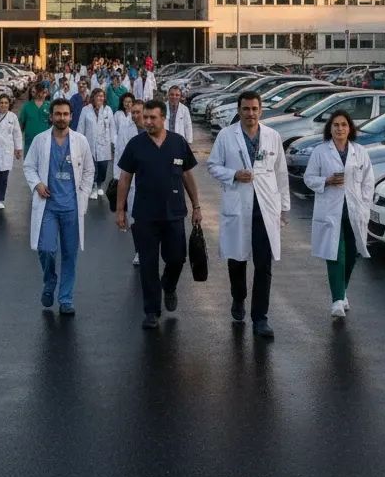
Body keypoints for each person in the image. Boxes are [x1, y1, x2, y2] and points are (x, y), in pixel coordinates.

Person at [207, 91, 290, 339]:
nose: (250, 113)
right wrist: (233, 175)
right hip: (238, 206)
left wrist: (284, 207)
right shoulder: (226, 136)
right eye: (246, 109)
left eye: (254, 109)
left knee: (263, 266)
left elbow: (281, 174)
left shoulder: (273, 137)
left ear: (260, 110)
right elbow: (212, 165)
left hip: (265, 210)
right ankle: (238, 298)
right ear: (239, 110)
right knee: (237, 261)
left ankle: (260, 318)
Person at [115, 100, 201, 329]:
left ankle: (169, 286)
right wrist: (120, 209)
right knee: (148, 264)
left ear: (163, 118)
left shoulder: (178, 143)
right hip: (145, 215)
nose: (148, 122)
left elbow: (187, 176)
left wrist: (197, 206)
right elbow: (124, 178)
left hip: (173, 213)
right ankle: (151, 310)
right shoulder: (136, 145)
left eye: (153, 118)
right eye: (145, 117)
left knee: (176, 258)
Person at [23, 99, 95, 315]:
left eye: (65, 114)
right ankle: (50, 280)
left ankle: (65, 299)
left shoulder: (80, 141)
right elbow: (28, 166)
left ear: (71, 116)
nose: (61, 118)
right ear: (51, 116)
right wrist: (37, 184)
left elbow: (89, 171)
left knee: (70, 254)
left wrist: (82, 194)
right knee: (46, 248)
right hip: (49, 206)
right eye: (57, 114)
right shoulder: (40, 140)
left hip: (72, 207)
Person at [303, 109, 375, 319]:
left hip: (354, 210)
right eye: (336, 125)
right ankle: (336, 300)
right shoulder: (320, 151)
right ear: (330, 128)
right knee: (335, 254)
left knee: (352, 255)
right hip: (330, 210)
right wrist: (325, 181)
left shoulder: (360, 151)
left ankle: (342, 292)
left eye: (344, 125)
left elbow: (369, 180)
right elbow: (309, 178)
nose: (340, 128)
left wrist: (364, 203)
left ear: (350, 128)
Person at [113, 97, 145, 266]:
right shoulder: (126, 130)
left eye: (138, 112)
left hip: (152, 183)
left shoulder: (153, 128)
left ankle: (150, 249)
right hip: (132, 182)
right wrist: (118, 180)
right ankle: (139, 251)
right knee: (134, 219)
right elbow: (119, 154)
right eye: (133, 112)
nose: (134, 115)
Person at [78, 86, 114, 199]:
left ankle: (99, 186)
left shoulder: (108, 110)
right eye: (98, 96)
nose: (100, 98)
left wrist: (114, 143)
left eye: (102, 96)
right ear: (93, 97)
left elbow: (112, 128)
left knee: (103, 167)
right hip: (89, 143)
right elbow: (81, 127)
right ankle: (93, 187)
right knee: (92, 168)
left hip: (104, 145)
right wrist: (79, 143)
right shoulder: (85, 110)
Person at [19, 85, 51, 155]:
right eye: (32, 91)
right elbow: (21, 125)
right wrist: (18, 144)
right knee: (29, 164)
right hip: (30, 142)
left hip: (46, 142)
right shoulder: (27, 106)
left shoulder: (49, 106)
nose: (34, 93)